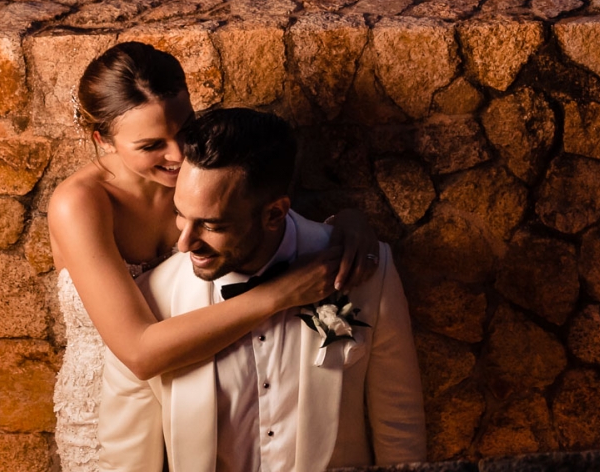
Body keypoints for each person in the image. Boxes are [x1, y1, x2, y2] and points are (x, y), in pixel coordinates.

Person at [49, 42, 380, 472]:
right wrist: (277, 296)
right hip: (112, 421)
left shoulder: (200, 175)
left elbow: (267, 218)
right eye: (151, 145)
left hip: (200, 403)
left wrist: (352, 223)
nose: (177, 154)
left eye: (184, 129)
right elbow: (139, 352)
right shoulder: (80, 204)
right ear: (102, 139)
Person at [99, 107, 427, 472]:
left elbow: (400, 430)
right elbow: (126, 461)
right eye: (181, 214)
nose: (185, 243)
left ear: (274, 214)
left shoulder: (366, 271)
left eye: (211, 224)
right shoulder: (149, 304)